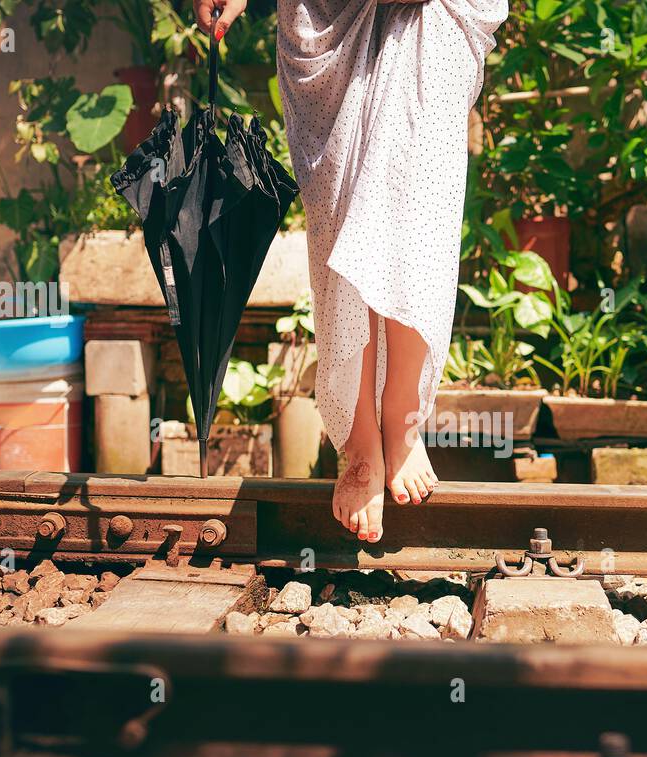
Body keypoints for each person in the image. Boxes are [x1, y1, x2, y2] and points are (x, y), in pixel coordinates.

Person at [196, 0, 507, 543]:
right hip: (329, 14)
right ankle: (362, 435)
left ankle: (403, 416)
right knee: (342, 211)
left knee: (417, 200)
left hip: (432, 12)